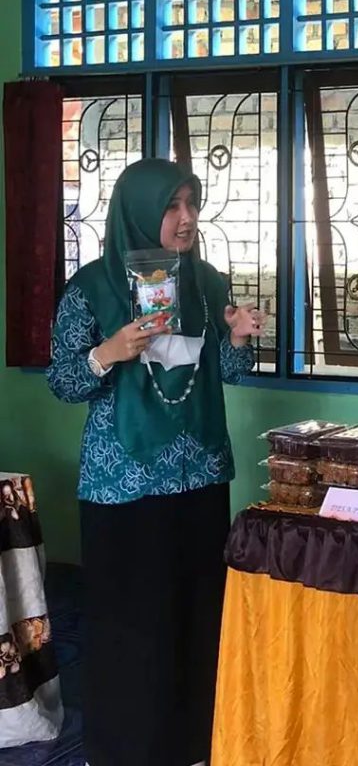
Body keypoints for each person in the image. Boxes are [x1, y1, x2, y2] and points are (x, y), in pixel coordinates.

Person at [46, 159, 265, 766]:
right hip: (124, 479)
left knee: (196, 610)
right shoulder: (92, 288)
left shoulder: (206, 283)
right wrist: (109, 351)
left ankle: (193, 741)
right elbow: (63, 382)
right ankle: (126, 747)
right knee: (132, 619)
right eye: (173, 206)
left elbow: (226, 373)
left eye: (192, 204)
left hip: (199, 473)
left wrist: (239, 336)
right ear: (140, 211)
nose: (187, 218)